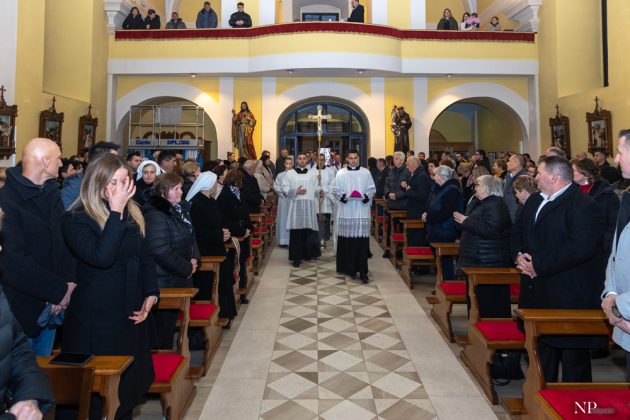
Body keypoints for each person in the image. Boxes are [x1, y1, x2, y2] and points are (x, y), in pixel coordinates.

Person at [61, 154, 158, 419]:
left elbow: (145, 256)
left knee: (128, 387)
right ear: (98, 183)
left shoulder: (134, 213)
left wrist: (151, 294)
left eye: (124, 181)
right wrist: (115, 212)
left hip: (130, 309)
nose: (120, 188)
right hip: (97, 317)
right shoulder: (76, 218)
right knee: (98, 395)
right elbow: (101, 257)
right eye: (113, 182)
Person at [512, 155, 606, 382]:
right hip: (537, 292)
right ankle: (539, 400)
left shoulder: (584, 205)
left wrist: (538, 265)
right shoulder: (534, 200)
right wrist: (518, 256)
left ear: (554, 177)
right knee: (541, 357)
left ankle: (575, 403)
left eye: (539, 173)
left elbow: (580, 248)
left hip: (568, 295)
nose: (535, 177)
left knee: (574, 363)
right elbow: (517, 232)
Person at [0, 139, 76, 356]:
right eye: (58, 158)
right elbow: (13, 261)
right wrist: (58, 291)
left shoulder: (51, 193)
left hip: (52, 306)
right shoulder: (6, 200)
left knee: (42, 372)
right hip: (20, 308)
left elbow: (64, 242)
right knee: (19, 373)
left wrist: (69, 283)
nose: (61, 163)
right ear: (44, 161)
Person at [143, 173, 200, 349]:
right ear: (163, 192)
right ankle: (161, 361)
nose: (181, 192)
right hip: (164, 281)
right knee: (162, 330)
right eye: (176, 189)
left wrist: (195, 258)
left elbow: (190, 236)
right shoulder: (156, 215)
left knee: (167, 327)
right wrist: (186, 267)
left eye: (180, 188)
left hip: (176, 277)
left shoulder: (175, 210)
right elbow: (159, 249)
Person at [454, 175, 512, 318]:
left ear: (487, 188)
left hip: (489, 261)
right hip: (476, 257)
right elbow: (470, 224)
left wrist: (466, 221)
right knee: (474, 296)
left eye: (478, 185)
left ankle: (491, 327)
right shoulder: (478, 202)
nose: (475, 188)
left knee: (488, 300)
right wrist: (461, 222)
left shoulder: (496, 204)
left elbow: (491, 230)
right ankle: (475, 324)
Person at [187, 172, 238, 327]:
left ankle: (226, 313)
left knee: (224, 281)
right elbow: (197, 231)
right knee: (211, 283)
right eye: (215, 183)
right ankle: (218, 316)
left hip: (217, 247)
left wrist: (224, 232)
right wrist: (219, 234)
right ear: (208, 184)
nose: (217, 186)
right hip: (206, 251)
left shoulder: (211, 200)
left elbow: (218, 222)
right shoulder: (196, 203)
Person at [601, 130, 630, 379]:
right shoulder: (627, 195)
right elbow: (616, 250)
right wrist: (610, 293)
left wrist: (621, 307)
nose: (616, 159)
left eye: (620, 152)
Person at [332, 150, 375, 282]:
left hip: (361, 211)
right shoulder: (341, 173)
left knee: (361, 242)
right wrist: (344, 197)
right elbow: (335, 190)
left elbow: (372, 189)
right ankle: (348, 268)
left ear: (359, 158)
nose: (353, 160)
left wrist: (365, 197)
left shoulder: (366, 172)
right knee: (348, 241)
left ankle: (363, 271)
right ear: (347, 159)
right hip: (347, 210)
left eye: (355, 158)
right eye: (351, 158)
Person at [217, 170, 253, 304]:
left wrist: (249, 227)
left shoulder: (239, 193)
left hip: (243, 233)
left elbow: (246, 213)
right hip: (233, 235)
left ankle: (243, 292)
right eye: (240, 180)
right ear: (235, 181)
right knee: (234, 264)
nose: (242, 183)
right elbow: (224, 219)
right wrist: (241, 231)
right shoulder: (224, 196)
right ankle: (232, 292)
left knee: (242, 263)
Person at [422, 165, 463, 281]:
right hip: (435, 228)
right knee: (439, 260)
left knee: (445, 260)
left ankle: (448, 282)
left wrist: (429, 218)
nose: (433, 177)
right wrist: (426, 213)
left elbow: (446, 211)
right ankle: (441, 282)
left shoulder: (452, 190)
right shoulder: (438, 188)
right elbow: (431, 204)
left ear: (441, 176)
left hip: (445, 230)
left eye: (435, 174)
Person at [572, 157, 619, 259]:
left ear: (586, 173)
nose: (570, 174)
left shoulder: (607, 195)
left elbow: (613, 225)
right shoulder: (571, 192)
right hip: (574, 248)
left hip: (598, 250)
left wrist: (604, 245)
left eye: (574, 171)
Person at [282, 153, 321, 267]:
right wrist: (295, 191)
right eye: (300, 159)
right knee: (296, 232)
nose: (302, 160)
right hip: (296, 205)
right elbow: (285, 188)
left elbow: (316, 187)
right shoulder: (290, 173)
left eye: (304, 158)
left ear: (307, 160)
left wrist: (320, 190)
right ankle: (296, 258)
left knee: (308, 231)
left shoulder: (312, 173)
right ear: (297, 161)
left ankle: (307, 254)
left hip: (308, 205)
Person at [401, 157, 431, 245]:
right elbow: (410, 188)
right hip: (413, 210)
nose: (406, 167)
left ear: (414, 164)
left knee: (416, 237)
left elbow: (422, 195)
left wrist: (408, 190)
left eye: (407, 164)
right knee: (412, 235)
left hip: (417, 211)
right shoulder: (415, 174)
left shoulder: (421, 176)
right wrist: (404, 187)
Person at [311, 154, 335, 247]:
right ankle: (318, 238)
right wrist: (317, 182)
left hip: (326, 197)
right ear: (316, 160)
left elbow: (333, 184)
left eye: (322, 160)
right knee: (317, 218)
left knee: (325, 218)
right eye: (319, 160)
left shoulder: (330, 171)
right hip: (316, 198)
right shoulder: (311, 171)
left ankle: (324, 238)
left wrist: (324, 191)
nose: (320, 162)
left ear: (325, 161)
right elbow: (309, 184)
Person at [274, 157, 293, 246]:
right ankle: (282, 240)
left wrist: (291, 193)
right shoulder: (280, 175)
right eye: (287, 163)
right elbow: (276, 186)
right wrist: (282, 193)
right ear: (284, 164)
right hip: (283, 200)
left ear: (292, 164)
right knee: (283, 219)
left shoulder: (295, 175)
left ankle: (291, 240)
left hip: (292, 200)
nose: (288, 165)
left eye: (290, 163)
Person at [503, 154, 528, 223]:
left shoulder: (524, 179)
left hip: (515, 218)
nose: (507, 163)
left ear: (517, 163)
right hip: (507, 216)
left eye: (509, 161)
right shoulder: (508, 176)